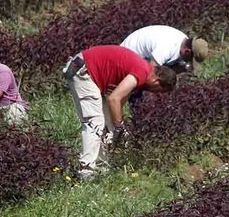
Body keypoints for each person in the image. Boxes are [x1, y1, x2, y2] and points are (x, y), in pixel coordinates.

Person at [63, 45, 177, 179]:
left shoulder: (141, 74)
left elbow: (118, 104)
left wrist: (118, 126)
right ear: (156, 80)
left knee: (106, 123)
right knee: (94, 122)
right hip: (82, 70)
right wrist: (119, 126)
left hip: (88, 73)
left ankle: (100, 165)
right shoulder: (142, 72)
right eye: (158, 90)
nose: (154, 92)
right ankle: (86, 169)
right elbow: (113, 99)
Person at [121, 25, 208, 74]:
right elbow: (151, 72)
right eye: (190, 60)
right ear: (187, 51)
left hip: (145, 59)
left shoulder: (183, 41)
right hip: (126, 57)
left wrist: (182, 68)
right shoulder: (166, 48)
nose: (189, 62)